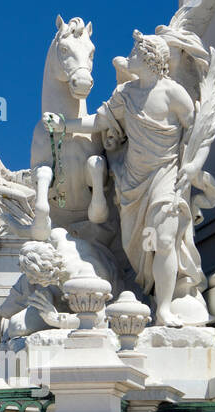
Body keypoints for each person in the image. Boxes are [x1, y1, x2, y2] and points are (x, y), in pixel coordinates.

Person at [45, 30, 201, 327]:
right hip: (131, 183)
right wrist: (65, 126)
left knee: (165, 240)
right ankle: (151, 293)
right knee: (137, 247)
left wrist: (193, 166)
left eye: (135, 52)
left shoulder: (173, 92)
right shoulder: (124, 94)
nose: (129, 56)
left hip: (165, 175)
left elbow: (196, 130)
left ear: (148, 59)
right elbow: (100, 121)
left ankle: (165, 309)